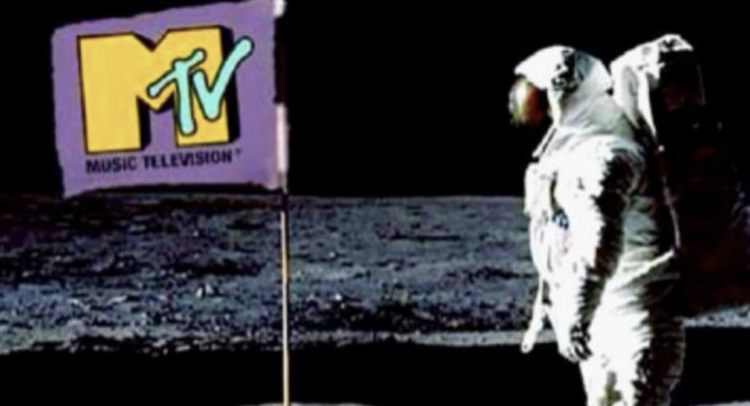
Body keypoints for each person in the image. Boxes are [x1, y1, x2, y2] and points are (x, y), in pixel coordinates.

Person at [512, 46, 685, 406]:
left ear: (563, 102)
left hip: (637, 330)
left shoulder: (606, 158)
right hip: (609, 324)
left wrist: (576, 315)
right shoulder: (586, 152)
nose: (536, 122)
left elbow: (599, 243)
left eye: (540, 109)